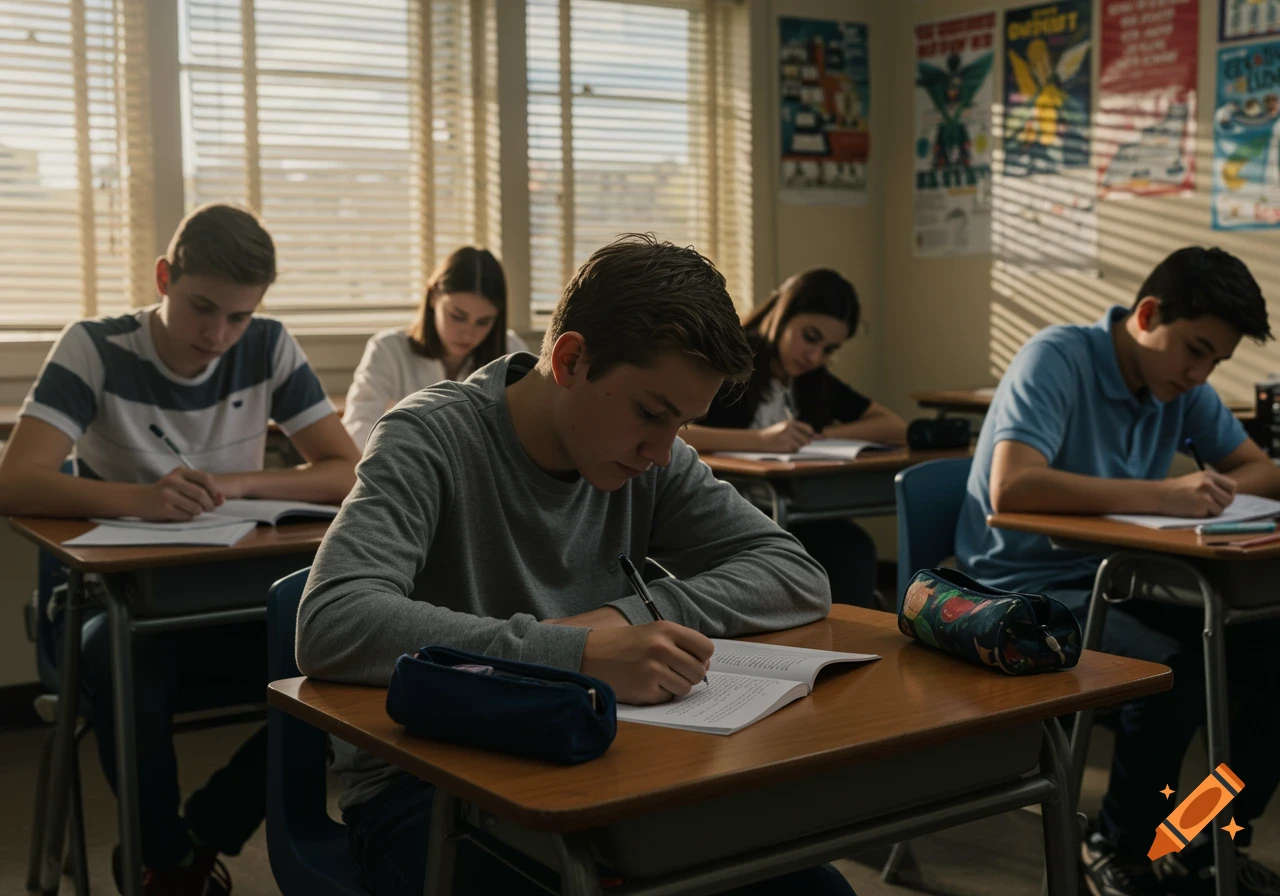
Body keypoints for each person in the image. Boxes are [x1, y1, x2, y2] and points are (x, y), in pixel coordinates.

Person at [296, 235, 854, 896]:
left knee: (817, 891)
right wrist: (576, 654)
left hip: (605, 760)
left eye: (682, 425)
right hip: (430, 788)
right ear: (570, 360)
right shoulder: (428, 436)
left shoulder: (651, 458)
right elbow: (332, 621)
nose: (662, 451)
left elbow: (795, 573)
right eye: (651, 414)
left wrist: (625, 618)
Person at [0, 203, 362, 896]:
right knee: (123, 659)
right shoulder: (94, 347)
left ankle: (204, 832)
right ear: (164, 277)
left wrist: (238, 482)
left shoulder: (268, 345)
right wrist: (139, 497)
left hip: (227, 599)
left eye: (239, 316)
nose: (218, 335)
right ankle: (164, 861)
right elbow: (14, 482)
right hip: (116, 609)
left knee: (342, 659)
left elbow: (348, 471)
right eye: (202, 308)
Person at [953, 247, 1280, 896]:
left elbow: (1262, 471)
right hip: (1022, 589)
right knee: (1171, 672)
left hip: (1120, 578)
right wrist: (1166, 496)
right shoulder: (1056, 358)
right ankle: (1118, 847)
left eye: (1215, 361)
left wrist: (1211, 491)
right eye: (1195, 350)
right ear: (1148, 314)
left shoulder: (1179, 388)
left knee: (1274, 656)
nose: (1200, 373)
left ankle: (1203, 836)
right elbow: (1013, 486)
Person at [683, 268, 906, 608]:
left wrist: (817, 436)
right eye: (810, 337)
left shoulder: (812, 378)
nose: (815, 356)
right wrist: (761, 440)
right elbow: (677, 433)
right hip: (725, 504)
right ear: (783, 314)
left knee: (852, 548)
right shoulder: (728, 360)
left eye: (829, 349)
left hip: (788, 509)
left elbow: (893, 426)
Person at [342, 246, 528, 449]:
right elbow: (359, 423)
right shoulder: (389, 350)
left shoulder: (512, 353)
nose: (468, 334)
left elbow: (531, 429)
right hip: (406, 463)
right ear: (434, 297)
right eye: (457, 316)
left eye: (483, 322)